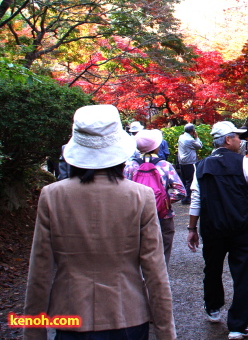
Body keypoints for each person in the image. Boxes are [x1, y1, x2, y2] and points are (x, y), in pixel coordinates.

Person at [24, 104, 176, 340]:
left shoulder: (52, 195)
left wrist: (34, 333)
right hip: (128, 313)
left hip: (71, 316)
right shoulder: (140, 196)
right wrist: (166, 332)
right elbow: (155, 271)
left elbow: (40, 271)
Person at [187, 121, 248, 340]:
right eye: (237, 137)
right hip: (242, 227)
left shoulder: (201, 165)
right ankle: (238, 325)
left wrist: (192, 228)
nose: (240, 140)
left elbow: (196, 198)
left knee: (213, 267)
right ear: (228, 140)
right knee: (243, 274)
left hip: (212, 227)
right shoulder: (243, 163)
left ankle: (213, 307)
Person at [124, 129, 186, 267]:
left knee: (137, 250)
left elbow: (122, 191)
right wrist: (164, 201)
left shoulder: (130, 166)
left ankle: (140, 281)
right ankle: (160, 280)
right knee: (163, 249)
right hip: (163, 215)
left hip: (136, 216)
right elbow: (181, 191)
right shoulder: (165, 165)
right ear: (157, 146)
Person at [178, 123, 202, 204]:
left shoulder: (181, 137)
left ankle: (183, 196)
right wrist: (197, 137)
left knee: (184, 180)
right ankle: (187, 198)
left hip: (182, 161)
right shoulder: (190, 140)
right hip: (189, 162)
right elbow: (199, 146)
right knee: (190, 180)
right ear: (192, 131)